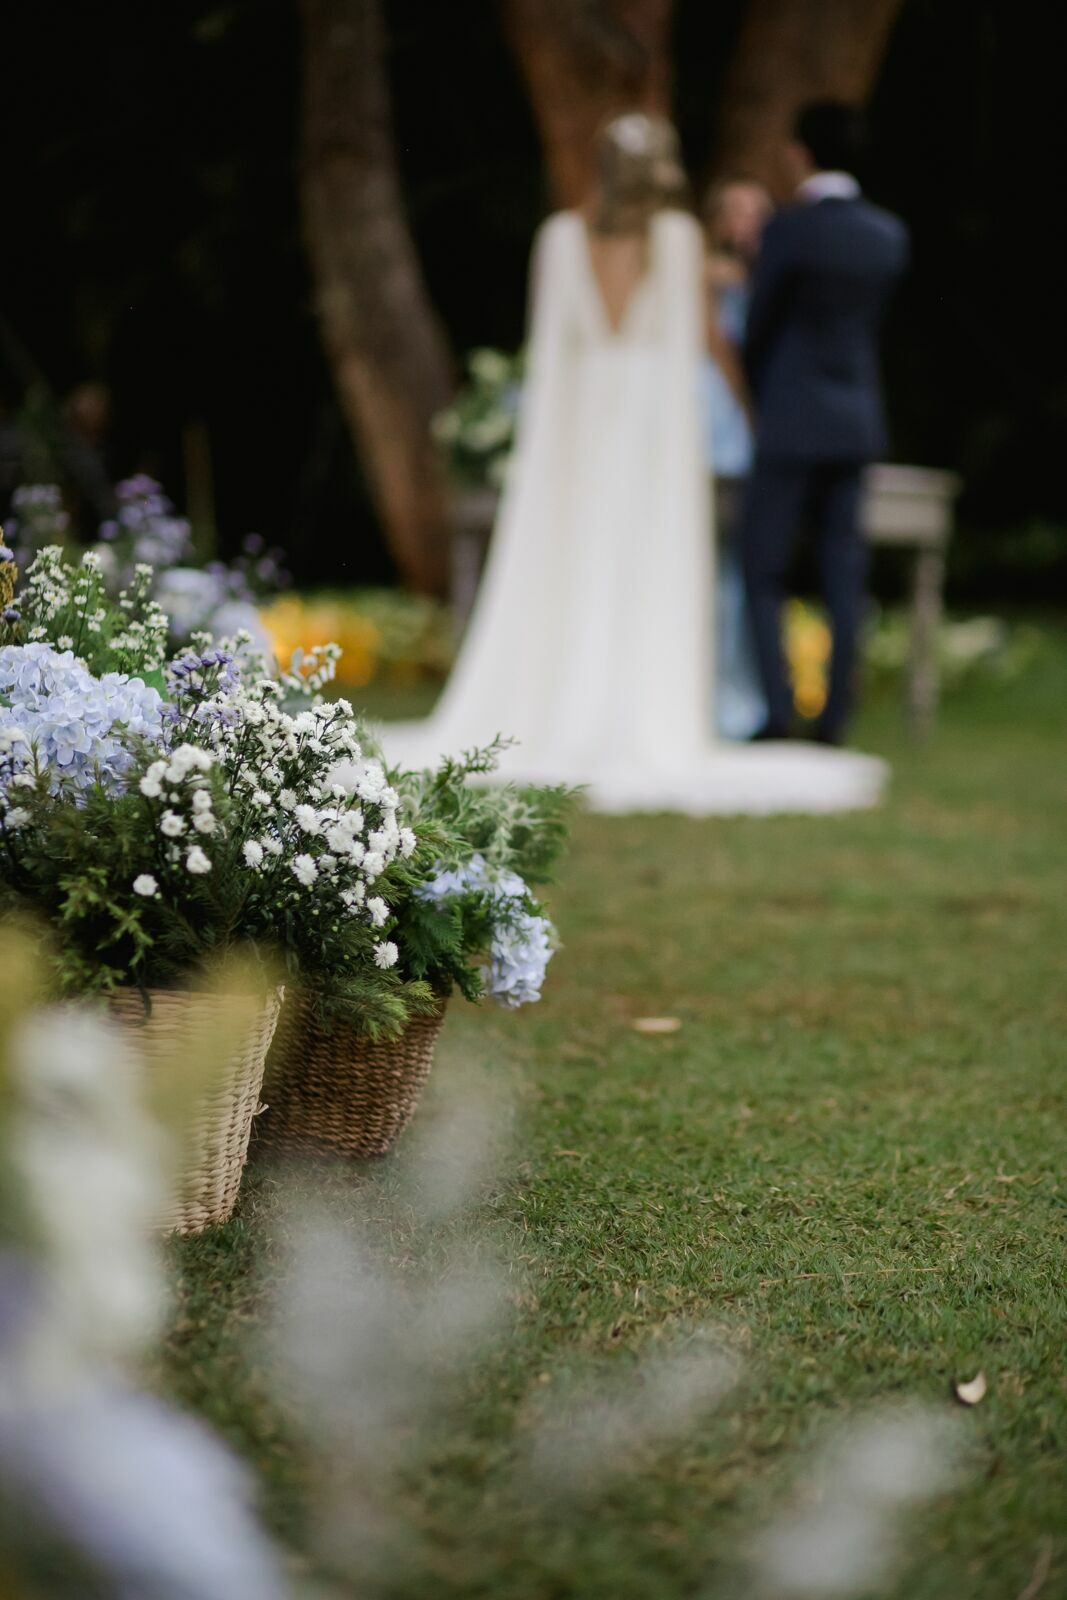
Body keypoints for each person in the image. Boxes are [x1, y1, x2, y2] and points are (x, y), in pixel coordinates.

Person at [383, 113, 886, 815]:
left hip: (583, 424)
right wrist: (742, 410)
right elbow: (699, 342)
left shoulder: (560, 238)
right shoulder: (677, 239)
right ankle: (645, 706)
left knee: (580, 558)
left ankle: (564, 700)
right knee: (645, 561)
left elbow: (551, 353)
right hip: (651, 428)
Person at [742, 101, 909, 745]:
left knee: (765, 567)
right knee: (844, 572)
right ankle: (835, 718)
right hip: (857, 418)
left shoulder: (789, 230)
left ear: (799, 153)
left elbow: (759, 326)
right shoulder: (888, 234)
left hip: (790, 415)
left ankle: (778, 712)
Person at [701, 178, 773, 740]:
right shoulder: (712, 274)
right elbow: (718, 345)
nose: (748, 223)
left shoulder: (770, 272)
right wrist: (750, 412)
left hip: (739, 420)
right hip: (718, 418)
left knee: (734, 565)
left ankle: (733, 691)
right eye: (738, 211)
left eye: (758, 211)